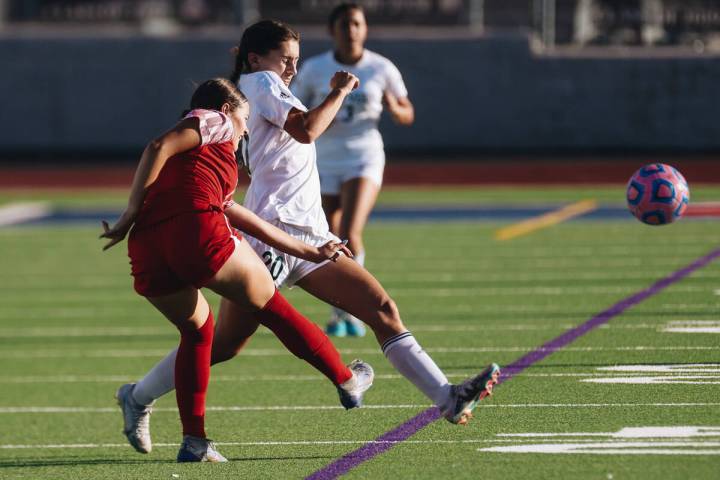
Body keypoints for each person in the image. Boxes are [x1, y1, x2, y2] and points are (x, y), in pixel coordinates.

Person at [119, 19, 500, 455]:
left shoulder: (262, 87)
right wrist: (339, 91)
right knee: (223, 343)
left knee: (380, 310)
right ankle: (139, 397)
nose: (292, 70)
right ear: (255, 57)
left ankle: (447, 398)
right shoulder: (259, 82)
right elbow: (307, 129)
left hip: (308, 233)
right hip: (273, 234)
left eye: (296, 62)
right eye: (286, 60)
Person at [101, 78, 373, 462]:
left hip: (148, 246)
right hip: (192, 231)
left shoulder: (203, 164)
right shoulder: (216, 120)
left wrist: (309, 252)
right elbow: (158, 144)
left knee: (199, 331)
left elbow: (240, 215)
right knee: (273, 307)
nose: (245, 131)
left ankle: (194, 441)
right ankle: (345, 378)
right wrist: (128, 211)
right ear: (228, 111)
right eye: (245, 120)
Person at [292, 3, 415, 337]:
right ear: (333, 30)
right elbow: (294, 111)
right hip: (323, 158)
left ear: (365, 29)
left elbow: (407, 113)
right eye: (345, 24)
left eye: (357, 24)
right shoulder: (316, 69)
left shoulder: (381, 68)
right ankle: (339, 315)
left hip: (364, 156)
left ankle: (356, 311)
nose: (351, 30)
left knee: (350, 230)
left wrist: (394, 109)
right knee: (329, 234)